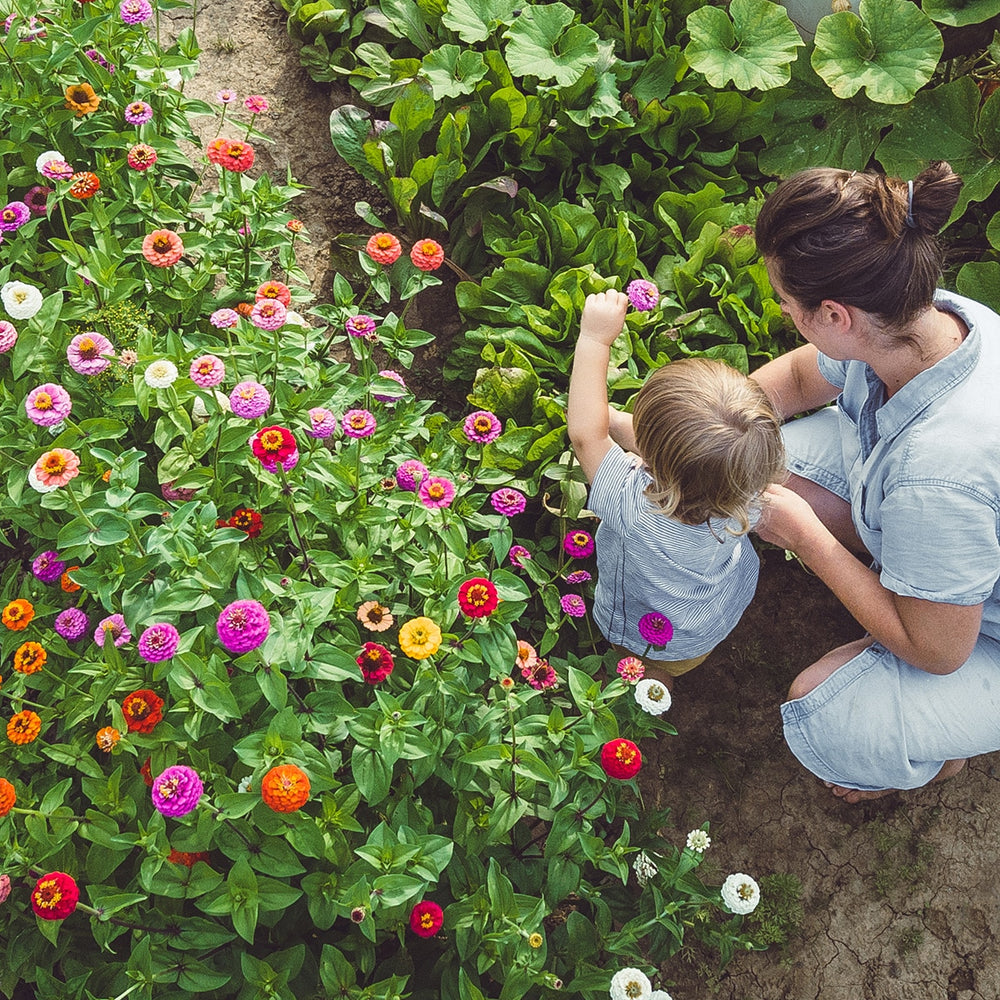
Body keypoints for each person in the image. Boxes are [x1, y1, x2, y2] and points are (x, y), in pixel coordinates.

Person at [750, 161, 1000, 802]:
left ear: (834, 314)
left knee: (825, 718)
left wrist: (807, 538)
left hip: (970, 633)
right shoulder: (933, 318)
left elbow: (938, 648)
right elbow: (805, 379)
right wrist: (719, 422)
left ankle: (937, 755)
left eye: (786, 304)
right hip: (940, 519)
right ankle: (908, 591)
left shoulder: (939, 472)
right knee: (756, 465)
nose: (783, 312)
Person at [566, 289, 785, 686]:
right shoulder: (748, 492)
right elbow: (685, 462)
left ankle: (642, 699)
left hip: (646, 630)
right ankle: (662, 682)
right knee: (671, 663)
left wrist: (594, 339)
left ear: (651, 458)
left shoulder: (633, 504)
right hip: (709, 620)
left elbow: (585, 435)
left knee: (643, 669)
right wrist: (613, 420)